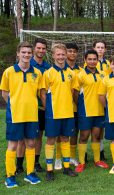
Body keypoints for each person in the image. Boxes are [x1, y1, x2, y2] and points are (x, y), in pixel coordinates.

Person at [1, 42, 42, 188]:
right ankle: (10, 176)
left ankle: (30, 173)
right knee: (13, 145)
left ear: (32, 54)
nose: (26, 55)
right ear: (18, 53)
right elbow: (5, 93)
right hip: (15, 115)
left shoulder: (37, 73)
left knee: (31, 143)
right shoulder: (9, 72)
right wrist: (15, 105)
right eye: (23, 52)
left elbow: (39, 93)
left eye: (29, 53)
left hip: (32, 115)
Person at [40, 43, 78, 181]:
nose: (61, 57)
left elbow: (73, 91)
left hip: (68, 112)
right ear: (53, 55)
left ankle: (66, 167)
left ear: (66, 55)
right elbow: (43, 93)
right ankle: (49, 170)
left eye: (63, 54)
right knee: (51, 139)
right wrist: (48, 109)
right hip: (53, 113)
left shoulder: (71, 73)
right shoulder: (48, 73)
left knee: (65, 138)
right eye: (58, 54)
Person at [16, 38, 51, 175]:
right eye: (38, 48)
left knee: (38, 136)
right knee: (22, 138)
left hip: (41, 108)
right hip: (26, 109)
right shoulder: (25, 63)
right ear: (34, 49)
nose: (41, 51)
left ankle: (35, 163)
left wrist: (46, 105)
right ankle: (19, 165)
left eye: (43, 48)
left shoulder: (48, 67)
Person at [74, 50, 109, 173]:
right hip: (86, 110)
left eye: (94, 59)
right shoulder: (80, 75)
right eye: (90, 59)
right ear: (85, 60)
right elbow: (75, 93)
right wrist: (80, 106)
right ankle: (82, 162)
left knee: (96, 136)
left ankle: (97, 160)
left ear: (97, 60)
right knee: (84, 136)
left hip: (99, 110)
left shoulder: (103, 74)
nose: (92, 61)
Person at [55, 42, 83, 170]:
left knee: (73, 133)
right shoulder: (58, 69)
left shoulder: (80, 70)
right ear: (65, 54)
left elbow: (78, 91)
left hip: (75, 108)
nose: (72, 53)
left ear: (77, 53)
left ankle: (72, 156)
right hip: (61, 108)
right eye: (69, 51)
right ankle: (58, 158)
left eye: (74, 51)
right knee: (60, 135)